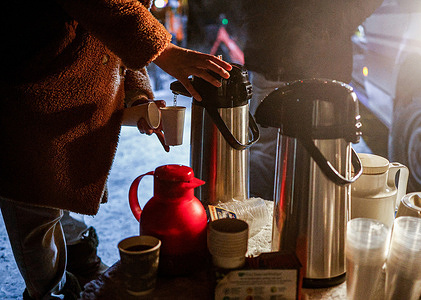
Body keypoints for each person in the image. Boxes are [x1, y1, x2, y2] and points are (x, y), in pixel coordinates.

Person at [0, 0, 232, 299]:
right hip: (30, 89)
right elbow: (109, 8)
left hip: (69, 102)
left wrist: (137, 98)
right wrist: (165, 52)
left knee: (57, 191)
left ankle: (81, 258)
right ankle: (50, 292)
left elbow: (115, 35)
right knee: (32, 207)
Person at [241, 1, 383, 200]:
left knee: (323, 169)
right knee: (263, 163)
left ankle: (316, 225)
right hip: (272, 59)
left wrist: (337, 21)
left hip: (323, 68)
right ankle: (266, 225)